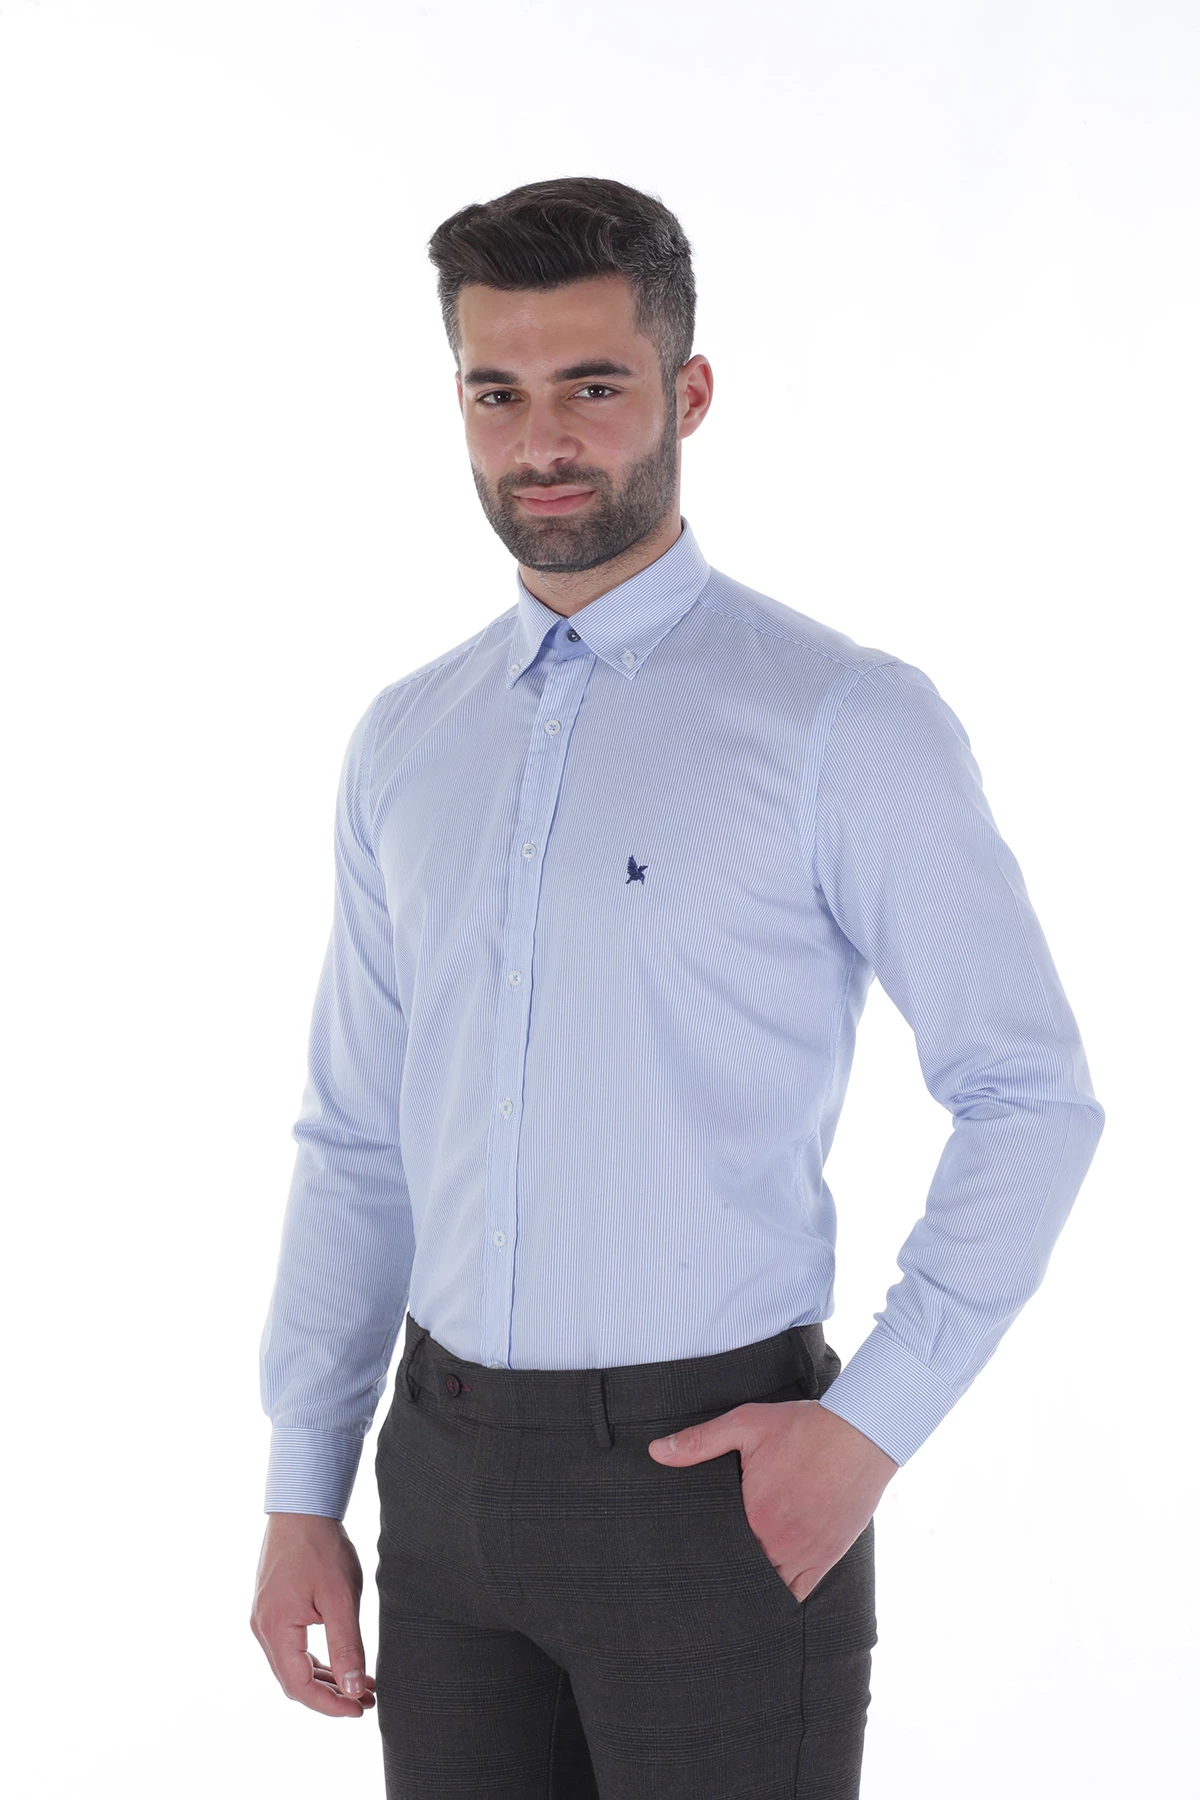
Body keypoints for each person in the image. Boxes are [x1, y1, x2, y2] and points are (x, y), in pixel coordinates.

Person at [250, 176, 1105, 1799]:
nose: (541, 441)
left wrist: (871, 1425)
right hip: (439, 1486)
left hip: (715, 1483)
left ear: (689, 392)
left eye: (593, 385)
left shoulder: (843, 719)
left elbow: (1030, 1099)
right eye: (497, 393)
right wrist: (305, 1484)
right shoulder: (407, 741)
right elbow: (356, 1138)